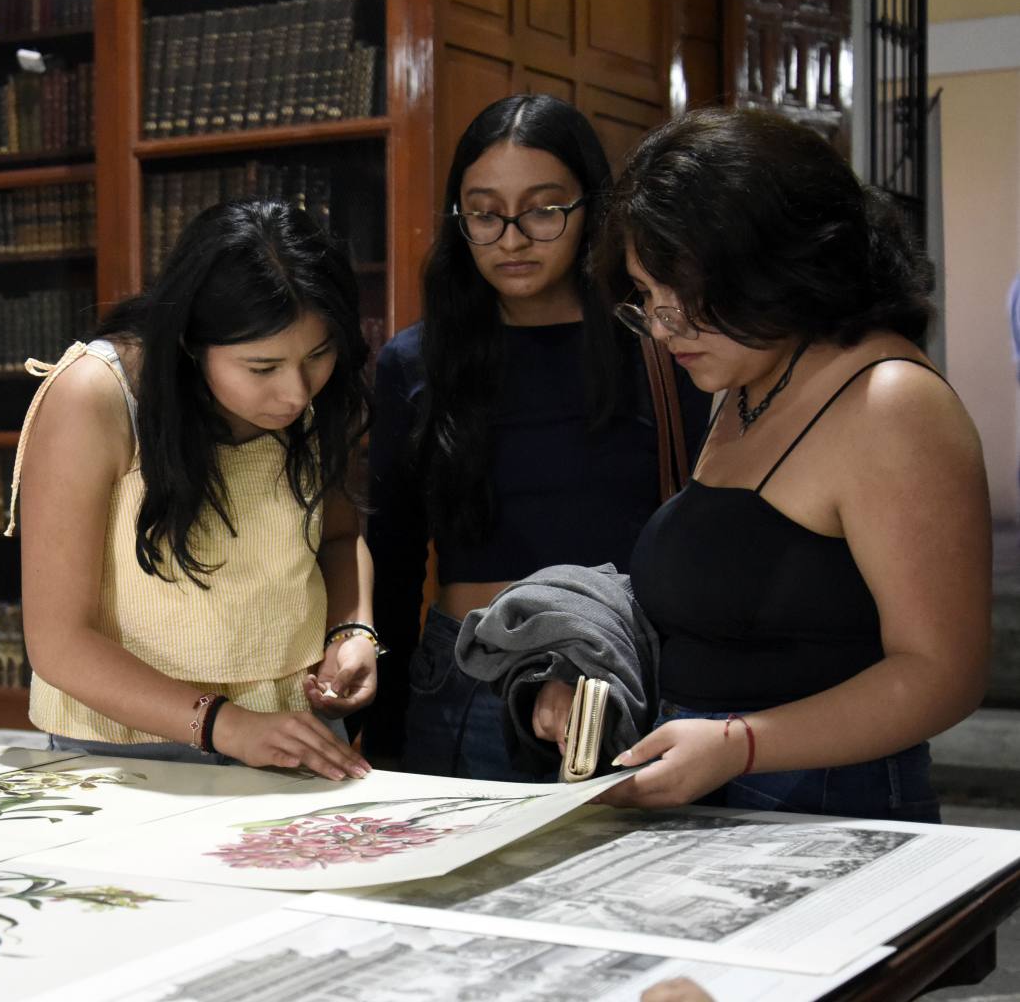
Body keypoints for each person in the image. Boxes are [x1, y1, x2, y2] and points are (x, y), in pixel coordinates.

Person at [593, 107, 990, 822]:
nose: (661, 326)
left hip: (830, 801)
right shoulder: (745, 376)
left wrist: (740, 744)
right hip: (713, 788)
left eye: (686, 294)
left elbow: (944, 674)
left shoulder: (890, 401)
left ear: (776, 262)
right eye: (647, 296)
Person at [366, 94, 709, 779]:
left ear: (592, 211)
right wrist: (383, 731)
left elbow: (699, 532)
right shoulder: (416, 361)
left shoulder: (660, 349)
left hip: (613, 675)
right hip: (465, 677)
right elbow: (393, 560)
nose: (512, 238)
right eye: (484, 214)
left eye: (544, 209)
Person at [9, 198, 377, 781]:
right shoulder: (96, 395)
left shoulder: (313, 399)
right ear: (189, 342)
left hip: (294, 731)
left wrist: (353, 632)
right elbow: (59, 642)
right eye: (261, 368)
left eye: (319, 354)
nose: (296, 393)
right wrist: (225, 724)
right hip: (125, 747)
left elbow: (337, 537)